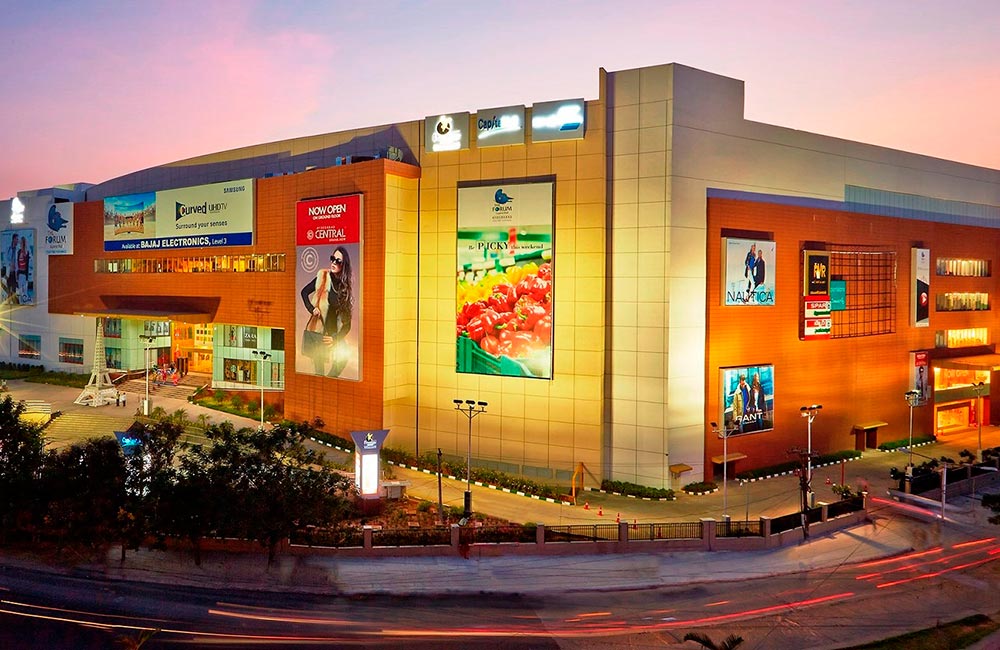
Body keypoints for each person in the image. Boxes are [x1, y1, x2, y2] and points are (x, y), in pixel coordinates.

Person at [300, 246, 354, 377]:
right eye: (332, 259)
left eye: (338, 261)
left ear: (344, 265)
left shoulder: (344, 288)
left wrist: (335, 339)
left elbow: (347, 324)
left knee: (342, 359)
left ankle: (330, 380)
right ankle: (323, 386)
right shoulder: (323, 277)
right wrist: (312, 309)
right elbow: (304, 292)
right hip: (319, 333)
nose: (333, 263)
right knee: (319, 371)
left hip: (332, 335)